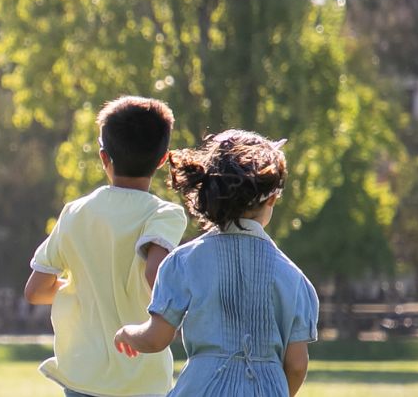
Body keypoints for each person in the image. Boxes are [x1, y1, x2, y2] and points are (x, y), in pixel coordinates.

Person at [113, 130, 318, 397]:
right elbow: (297, 364)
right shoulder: (294, 279)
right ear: (271, 198)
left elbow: (156, 338)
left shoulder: (184, 262)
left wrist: (128, 333)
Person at [22, 96, 189, 397]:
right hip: (142, 378)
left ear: (103, 157)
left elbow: (35, 290)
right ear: (163, 159)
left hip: (81, 376)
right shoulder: (164, 214)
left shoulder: (74, 212)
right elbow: (155, 275)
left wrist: (83, 286)